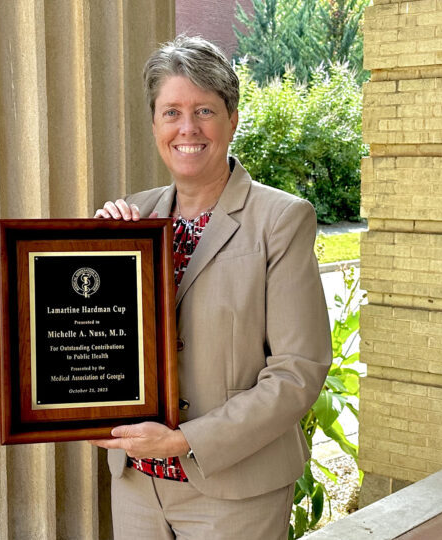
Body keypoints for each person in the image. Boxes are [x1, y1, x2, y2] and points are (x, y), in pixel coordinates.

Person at [90, 35, 331, 539]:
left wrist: (186, 440)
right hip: (137, 485)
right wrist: (100, 251)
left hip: (236, 490)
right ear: (154, 123)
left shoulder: (280, 220)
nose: (187, 128)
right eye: (171, 111)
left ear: (232, 118)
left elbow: (299, 371)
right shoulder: (135, 217)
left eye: (204, 110)